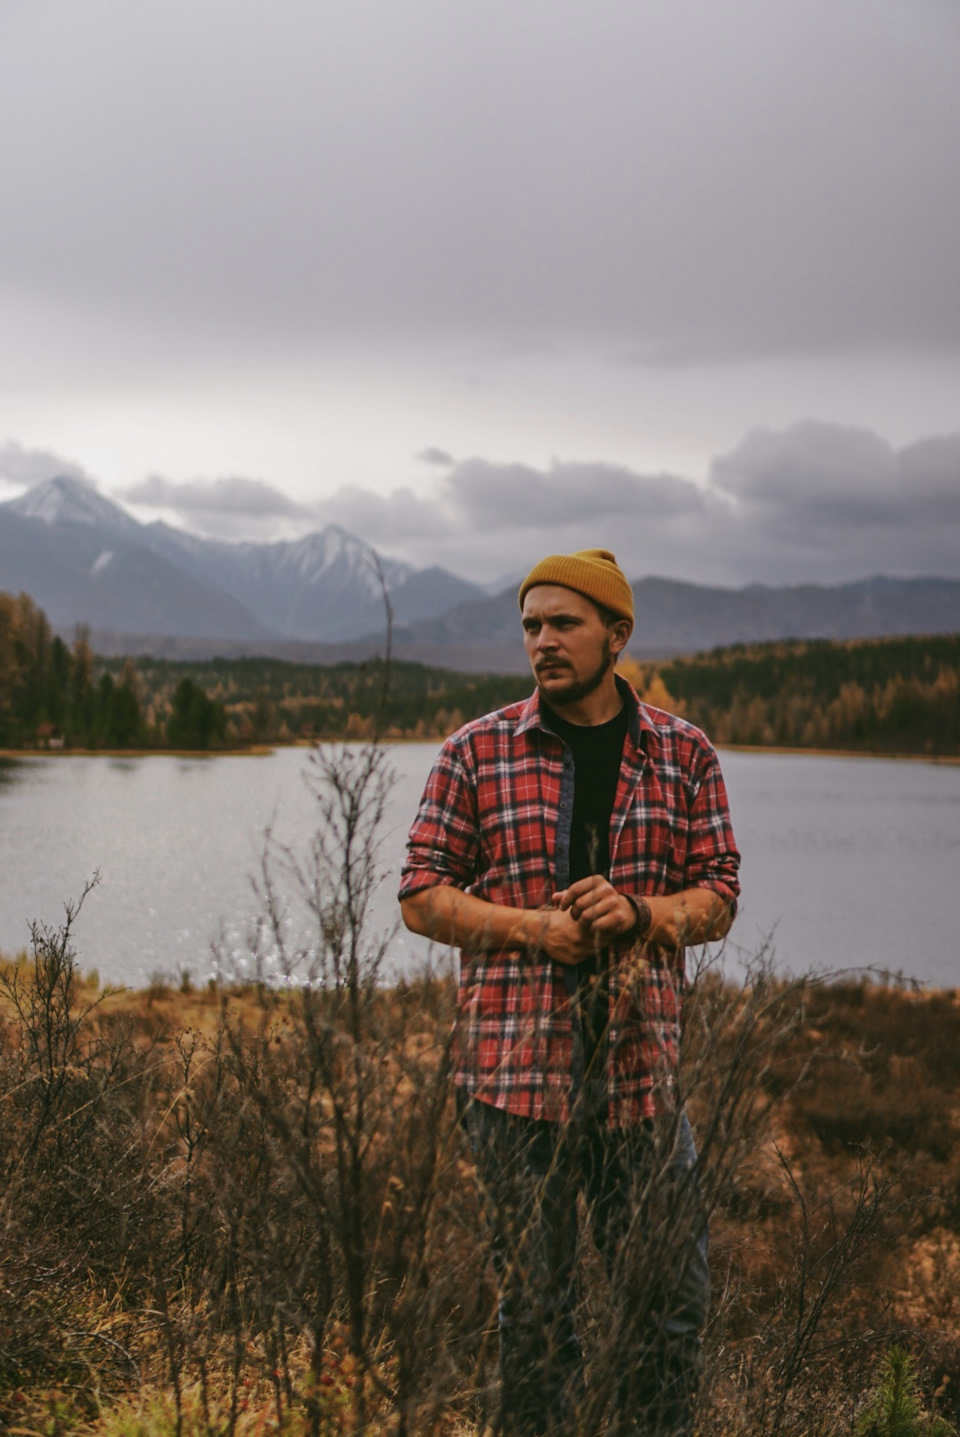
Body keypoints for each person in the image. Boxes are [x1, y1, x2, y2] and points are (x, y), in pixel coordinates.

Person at [399, 549, 740, 1437]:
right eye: (530, 625)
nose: (542, 641)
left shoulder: (684, 753)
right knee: (536, 1324)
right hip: (515, 1088)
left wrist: (643, 911)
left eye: (564, 623)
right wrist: (532, 930)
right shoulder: (476, 750)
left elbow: (720, 896)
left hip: (643, 1084)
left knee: (668, 1313)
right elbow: (420, 894)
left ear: (616, 635)